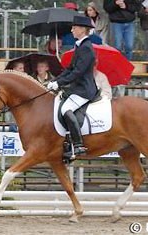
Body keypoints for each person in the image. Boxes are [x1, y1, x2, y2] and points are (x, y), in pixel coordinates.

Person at [47, 16, 98, 160]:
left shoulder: (87, 48)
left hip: (84, 89)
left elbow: (78, 72)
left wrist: (60, 84)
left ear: (82, 29)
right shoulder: (80, 45)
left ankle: (78, 145)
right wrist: (55, 80)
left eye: (74, 27)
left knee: (65, 109)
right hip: (77, 88)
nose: (72, 30)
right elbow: (70, 68)